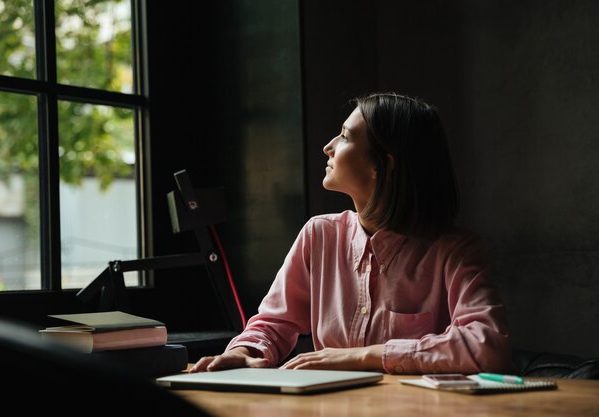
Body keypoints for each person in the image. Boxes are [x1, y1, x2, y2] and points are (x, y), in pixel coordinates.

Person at [191, 92, 514, 374]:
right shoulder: (319, 235)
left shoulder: (453, 250)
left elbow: (488, 344)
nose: (328, 147)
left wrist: (364, 357)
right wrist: (243, 353)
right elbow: (275, 324)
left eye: (345, 137)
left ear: (382, 166)